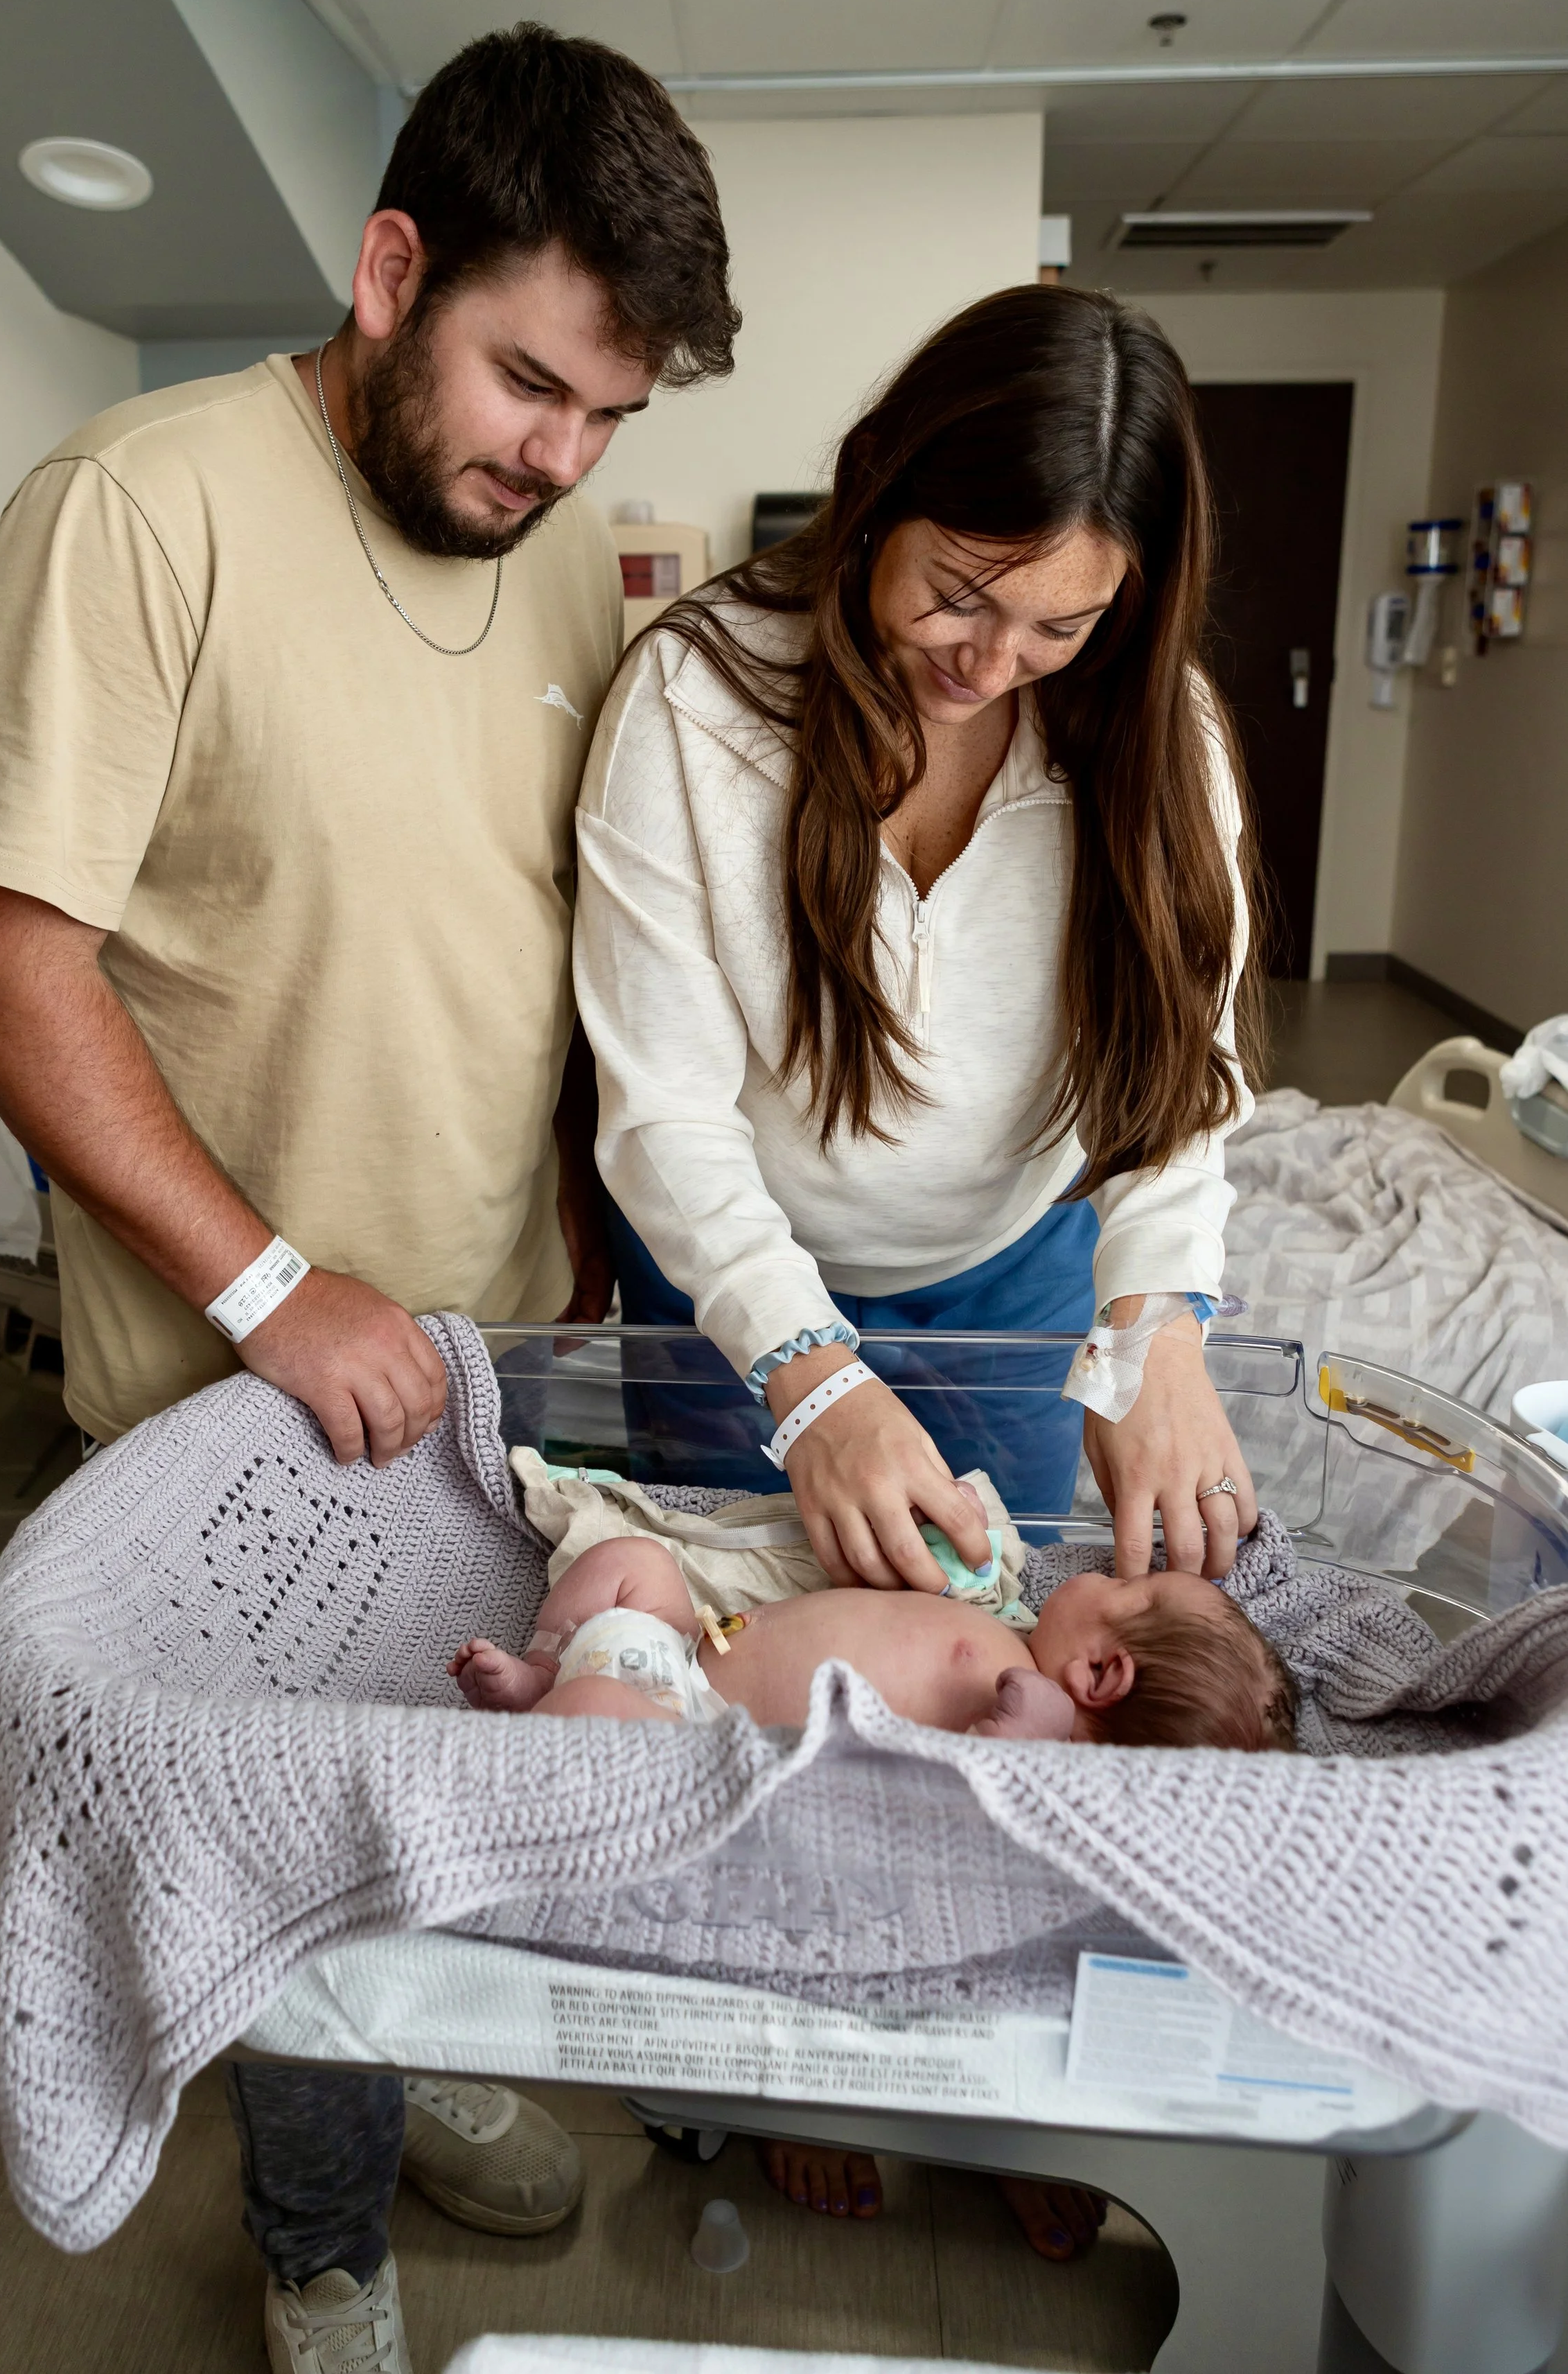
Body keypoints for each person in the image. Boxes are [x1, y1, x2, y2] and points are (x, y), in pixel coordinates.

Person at [0, 26, 737, 2373]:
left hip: (490, 1376)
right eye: (523, 381)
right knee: (290, 1842)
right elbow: (0, 949)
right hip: (231, 1396)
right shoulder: (140, 501)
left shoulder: (569, 562)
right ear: (390, 272)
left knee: (458, 1761)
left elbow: (538, 939)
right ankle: (318, 2237)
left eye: (604, 412)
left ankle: (396, 2053)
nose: (558, 455)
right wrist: (272, 1285)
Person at [572, 283, 1263, 2252]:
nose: (995, 660)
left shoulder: (1154, 732)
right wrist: (803, 1373)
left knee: (988, 1723)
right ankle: (758, 2041)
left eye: (1060, 623)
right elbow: (667, 1110)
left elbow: (1174, 1083)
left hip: (1016, 1272)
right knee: (748, 1722)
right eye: (961, 593)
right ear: (880, 493)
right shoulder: (700, 699)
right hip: (737, 1277)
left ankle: (977, 2049)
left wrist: (1157, 1330)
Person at [450, 1531, 1299, 1750]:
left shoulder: (1030, 1729)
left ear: (1101, 1672)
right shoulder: (1007, 1628)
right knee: (629, 1561)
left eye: (1126, 1587)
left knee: (596, 1708)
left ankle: (551, 1706)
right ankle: (539, 1668)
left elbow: (936, 1805)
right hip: (679, 1645)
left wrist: (1020, 1750)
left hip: (692, 1736)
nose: (1108, 1572)